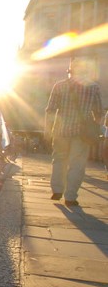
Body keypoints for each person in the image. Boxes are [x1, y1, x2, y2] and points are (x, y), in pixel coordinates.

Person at [44, 57, 103, 206]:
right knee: (77, 164)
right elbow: (98, 113)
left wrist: (48, 130)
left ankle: (57, 190)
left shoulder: (59, 86)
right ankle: (70, 197)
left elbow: (50, 110)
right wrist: (95, 127)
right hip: (82, 133)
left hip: (60, 130)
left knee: (58, 159)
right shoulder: (93, 87)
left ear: (70, 71)